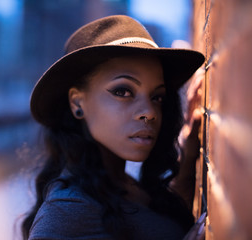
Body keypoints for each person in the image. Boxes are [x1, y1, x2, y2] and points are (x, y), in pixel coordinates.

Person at [22, 15, 205, 240]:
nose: (148, 112)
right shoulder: (69, 208)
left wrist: (187, 159)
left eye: (157, 97)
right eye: (123, 91)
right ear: (77, 103)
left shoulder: (125, 185)